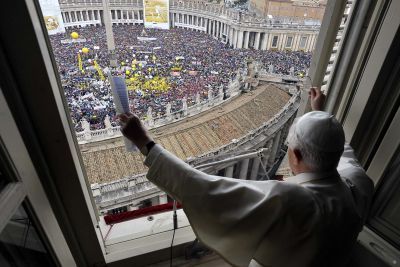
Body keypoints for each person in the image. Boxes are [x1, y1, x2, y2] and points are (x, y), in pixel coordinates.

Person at [118, 87, 374, 267]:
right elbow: (342, 152)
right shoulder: (359, 182)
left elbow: (205, 190)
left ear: (294, 154)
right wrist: (319, 113)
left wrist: (145, 142)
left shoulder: (289, 200)